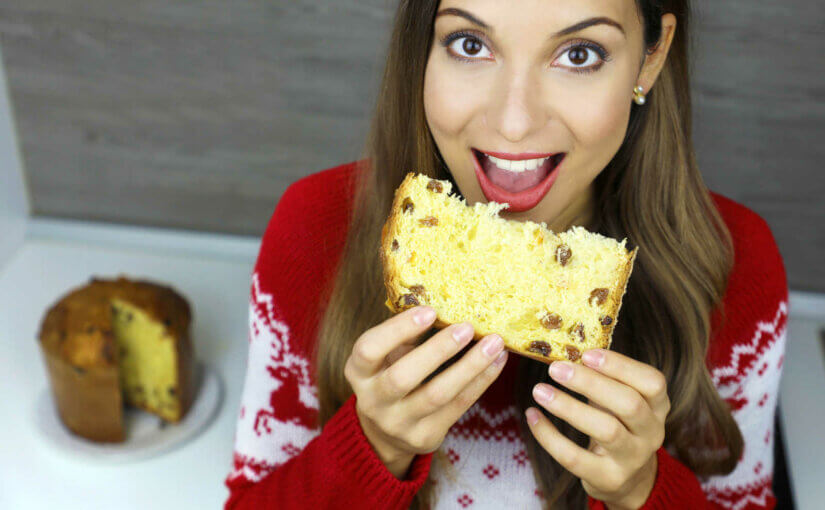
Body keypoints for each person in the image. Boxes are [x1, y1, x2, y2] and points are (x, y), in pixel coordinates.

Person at [223, 0, 788, 508]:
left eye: (580, 53)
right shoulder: (314, 230)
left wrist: (639, 491)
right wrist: (371, 449)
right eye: (471, 45)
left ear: (650, 57)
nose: (514, 122)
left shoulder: (735, 265)